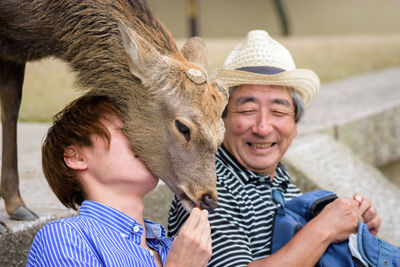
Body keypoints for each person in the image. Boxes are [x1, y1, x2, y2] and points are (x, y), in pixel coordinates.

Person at [168, 30, 382, 267]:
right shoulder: (208, 189)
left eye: (278, 112)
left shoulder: (285, 187)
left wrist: (354, 236)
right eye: (248, 111)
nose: (262, 127)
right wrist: (326, 228)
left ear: (295, 126)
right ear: (220, 120)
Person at [26, 95, 212, 267]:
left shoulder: (171, 247)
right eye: (128, 129)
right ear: (76, 157)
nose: (147, 141)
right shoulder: (65, 237)